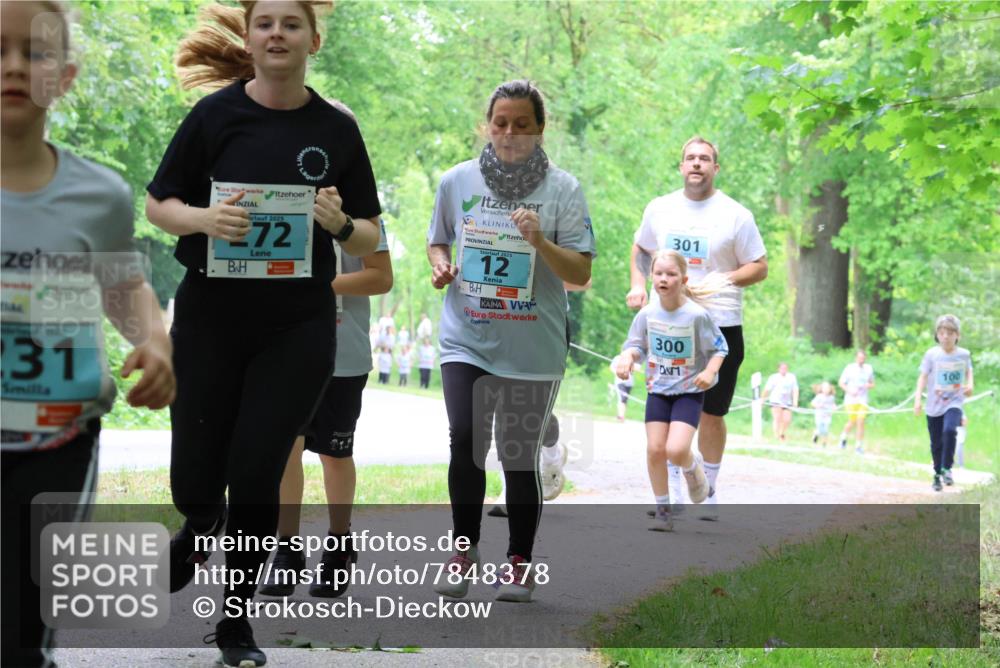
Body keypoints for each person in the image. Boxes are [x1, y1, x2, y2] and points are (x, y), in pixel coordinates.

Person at [144, 2, 381, 664]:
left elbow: (368, 234)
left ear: (313, 40)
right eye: (265, 22)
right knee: (196, 474)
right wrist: (202, 219)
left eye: (291, 23)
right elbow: (158, 204)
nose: (278, 33)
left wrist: (340, 226)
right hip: (211, 318)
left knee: (257, 471)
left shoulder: (336, 129)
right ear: (249, 39)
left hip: (296, 327)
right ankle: (200, 520)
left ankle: (235, 621)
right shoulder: (214, 116)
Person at [1, 2, 175, 664]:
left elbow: (124, 287)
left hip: (59, 436)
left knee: (21, 623)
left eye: (36, 53)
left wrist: (154, 340)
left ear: (65, 77)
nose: (14, 66)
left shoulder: (99, 196)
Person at [427, 79, 594, 603]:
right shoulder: (457, 181)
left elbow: (581, 273)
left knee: (516, 454)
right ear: (487, 125)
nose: (510, 133)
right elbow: (438, 241)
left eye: (522, 124)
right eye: (501, 123)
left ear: (540, 129)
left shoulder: (563, 190)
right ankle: (463, 550)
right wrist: (440, 266)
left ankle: (519, 562)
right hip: (468, 336)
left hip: (532, 344)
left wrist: (539, 240)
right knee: (465, 439)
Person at [627, 136, 767, 519]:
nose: (696, 163)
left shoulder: (736, 215)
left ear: (715, 168)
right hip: (668, 325)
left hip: (718, 323)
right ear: (681, 166)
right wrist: (638, 285)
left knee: (712, 413)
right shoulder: (661, 208)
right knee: (670, 409)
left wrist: (725, 279)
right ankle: (673, 491)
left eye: (704, 158)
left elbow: (759, 266)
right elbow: (641, 249)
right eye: (690, 157)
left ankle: (709, 487)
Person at [260, 208, 392, 598]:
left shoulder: (360, 211)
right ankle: (287, 549)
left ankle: (338, 544)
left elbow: (381, 277)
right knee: (287, 449)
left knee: (334, 454)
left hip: (342, 355)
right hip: (283, 350)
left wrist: (319, 284)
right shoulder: (275, 199)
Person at [616, 250, 730, 531]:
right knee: (656, 450)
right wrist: (627, 358)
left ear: (684, 279)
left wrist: (709, 372)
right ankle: (663, 511)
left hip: (689, 391)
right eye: (658, 274)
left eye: (671, 274)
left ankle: (693, 468)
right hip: (658, 390)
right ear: (651, 277)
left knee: (676, 450)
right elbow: (636, 344)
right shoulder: (646, 314)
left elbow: (719, 348)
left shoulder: (696, 315)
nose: (663, 279)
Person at [914, 315, 973, 491]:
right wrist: (918, 399)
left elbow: (969, 371)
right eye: (941, 333)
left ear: (957, 335)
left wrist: (970, 385)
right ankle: (937, 474)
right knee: (936, 443)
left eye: (950, 333)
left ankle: (947, 468)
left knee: (949, 430)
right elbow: (923, 377)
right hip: (934, 405)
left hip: (954, 402)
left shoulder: (964, 354)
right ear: (937, 335)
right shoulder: (931, 355)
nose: (945, 337)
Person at [838, 350, 875, 454]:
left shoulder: (868, 369)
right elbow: (841, 383)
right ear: (856, 358)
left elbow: (872, 383)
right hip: (851, 400)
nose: (861, 360)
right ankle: (843, 437)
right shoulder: (849, 368)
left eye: (863, 358)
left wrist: (868, 385)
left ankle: (858, 446)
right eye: (859, 358)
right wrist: (850, 391)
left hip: (863, 400)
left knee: (861, 420)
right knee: (852, 421)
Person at [762, 362, 799, 443]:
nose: (784, 370)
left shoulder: (791, 377)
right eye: (782, 368)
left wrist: (795, 401)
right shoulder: (773, 377)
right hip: (775, 400)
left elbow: (795, 389)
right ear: (778, 369)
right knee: (777, 418)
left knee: (787, 419)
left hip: (787, 402)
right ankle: (776, 436)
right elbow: (767, 389)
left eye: (785, 368)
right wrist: (762, 400)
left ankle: (781, 433)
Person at [810, 381, 837, 446]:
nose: (826, 389)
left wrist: (834, 408)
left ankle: (824, 442)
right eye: (824, 388)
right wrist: (818, 406)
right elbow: (813, 403)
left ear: (830, 389)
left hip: (827, 416)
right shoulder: (819, 396)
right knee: (820, 427)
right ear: (822, 389)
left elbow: (833, 404)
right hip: (819, 415)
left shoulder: (831, 397)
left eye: (827, 388)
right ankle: (815, 435)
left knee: (826, 429)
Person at [611, 357, 635, 422]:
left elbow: (636, 368)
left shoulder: (632, 359)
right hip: (620, 382)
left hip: (629, 383)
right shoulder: (617, 358)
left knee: (625, 400)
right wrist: (619, 373)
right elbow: (612, 367)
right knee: (622, 398)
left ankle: (621, 415)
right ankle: (620, 416)